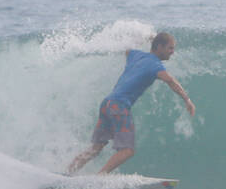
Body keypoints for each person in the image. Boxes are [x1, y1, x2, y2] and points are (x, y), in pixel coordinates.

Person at [66, 32, 195, 174]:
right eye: (170, 48)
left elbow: (127, 49)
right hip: (119, 106)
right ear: (159, 47)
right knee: (127, 150)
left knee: (96, 147)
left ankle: (68, 172)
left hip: (107, 103)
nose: (172, 52)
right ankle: (99, 177)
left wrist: (148, 37)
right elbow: (170, 80)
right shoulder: (155, 65)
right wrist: (187, 99)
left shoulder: (135, 55)